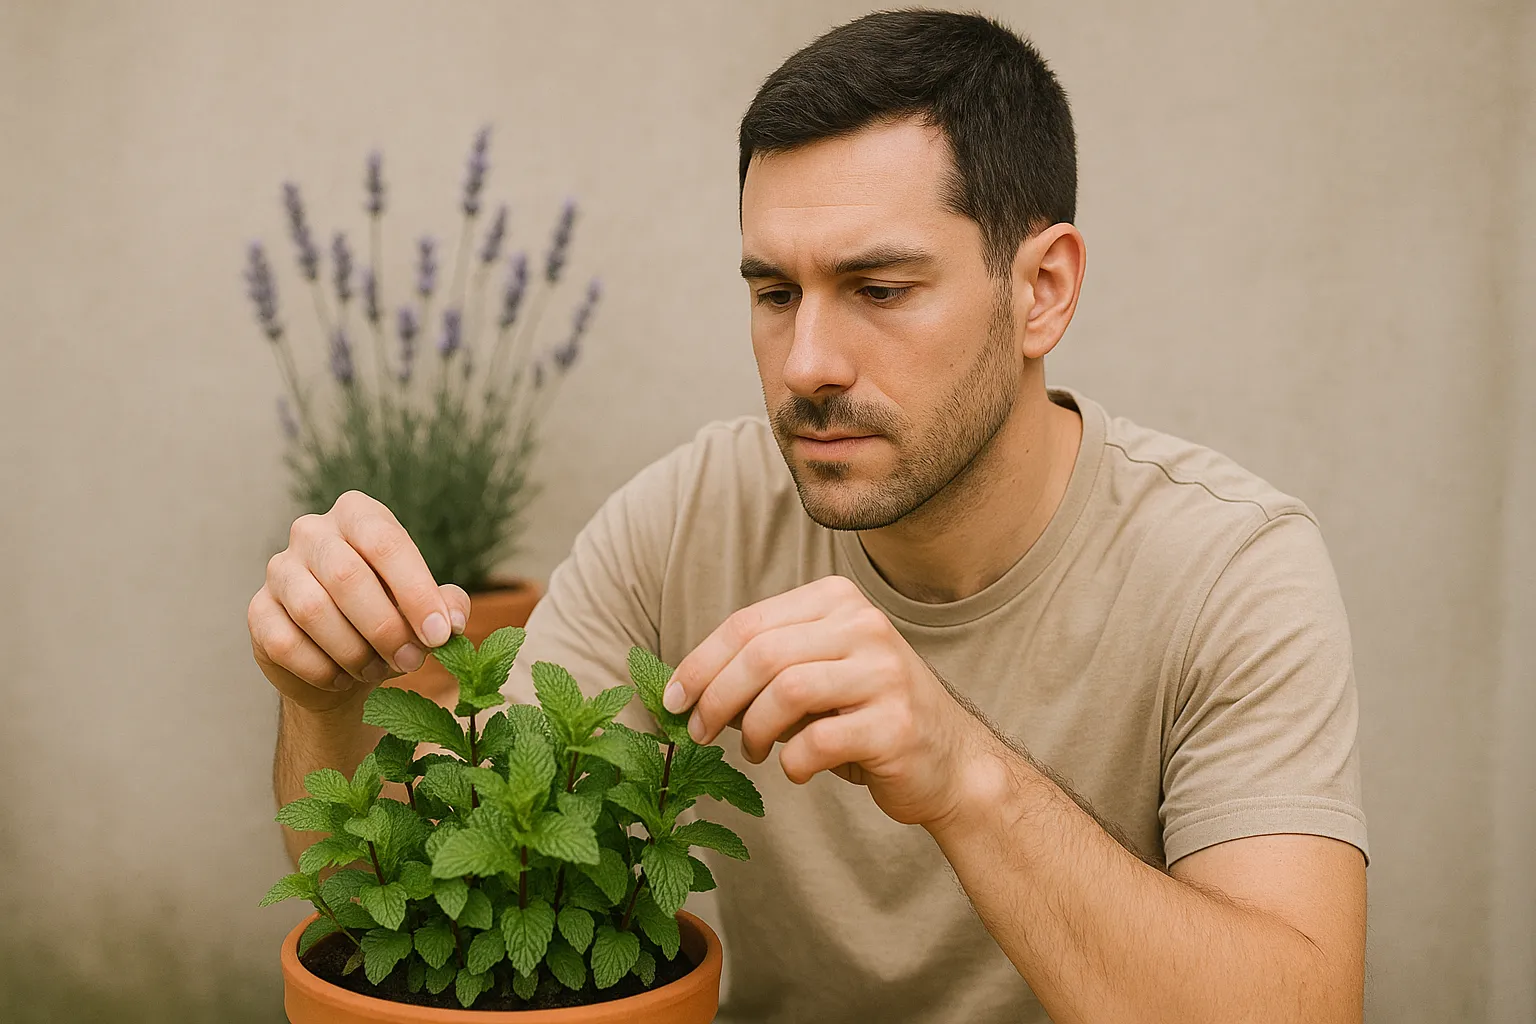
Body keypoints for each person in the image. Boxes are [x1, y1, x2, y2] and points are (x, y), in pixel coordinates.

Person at [250, 10, 1367, 1023]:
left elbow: (1302, 1008)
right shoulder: (690, 518)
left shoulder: (1232, 566)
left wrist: (965, 774)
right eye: (774, 293)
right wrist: (324, 704)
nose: (808, 362)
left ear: (1043, 290)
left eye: (880, 290)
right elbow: (442, 914)